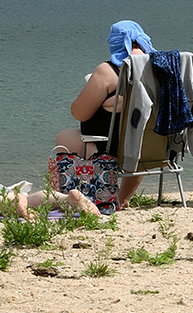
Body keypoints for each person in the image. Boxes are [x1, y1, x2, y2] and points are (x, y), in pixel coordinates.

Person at [52, 20, 159, 209]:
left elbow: (79, 113)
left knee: (64, 137)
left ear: (116, 42)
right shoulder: (161, 68)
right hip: (154, 148)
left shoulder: (109, 72)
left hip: (115, 150)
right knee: (139, 132)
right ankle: (123, 198)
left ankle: (75, 196)